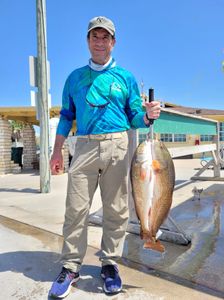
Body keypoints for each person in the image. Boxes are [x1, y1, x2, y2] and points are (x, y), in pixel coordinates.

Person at [49, 16, 161, 298]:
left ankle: (110, 263)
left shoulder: (125, 77)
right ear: (88, 41)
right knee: (75, 209)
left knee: (117, 210)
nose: (100, 42)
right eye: (94, 36)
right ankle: (71, 265)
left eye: (105, 37)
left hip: (118, 145)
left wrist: (147, 116)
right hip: (83, 146)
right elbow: (66, 117)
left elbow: (135, 116)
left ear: (113, 42)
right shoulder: (74, 77)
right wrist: (56, 151)